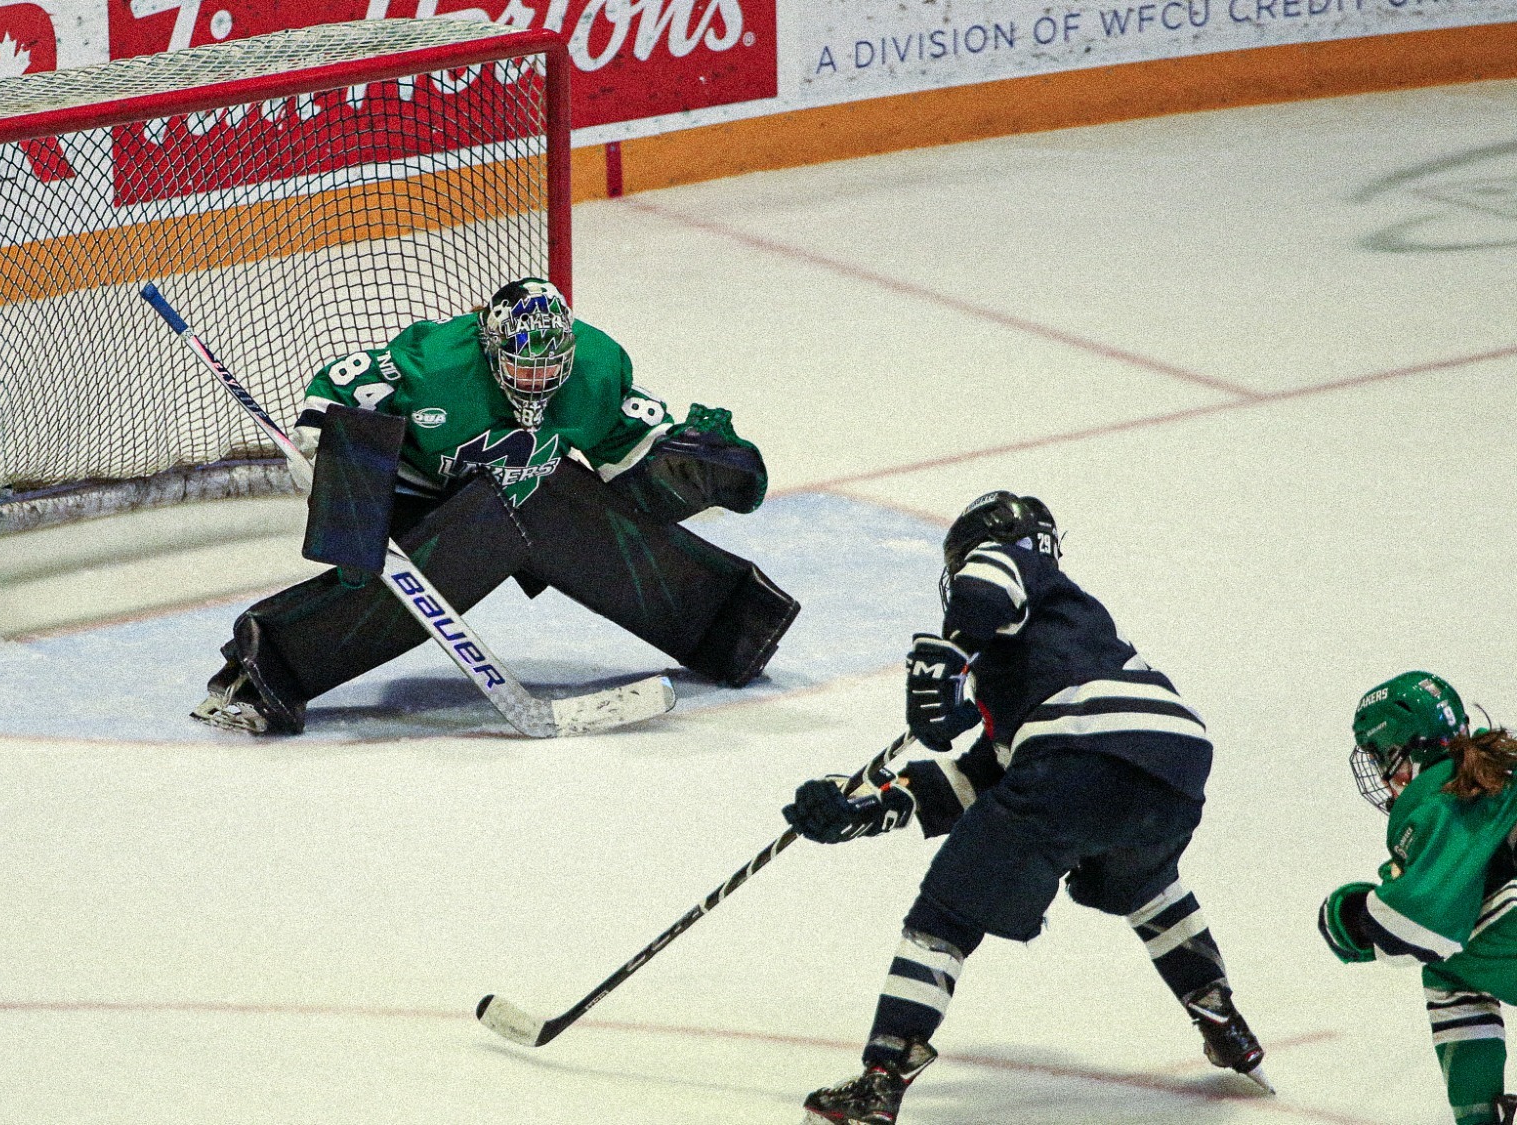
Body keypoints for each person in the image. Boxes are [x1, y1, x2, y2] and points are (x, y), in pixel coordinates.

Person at [780, 490, 1268, 1123]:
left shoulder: (1018, 576)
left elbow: (990, 579)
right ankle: (1221, 1017)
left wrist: (950, 650)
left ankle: (882, 1078)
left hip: (1078, 752)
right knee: (1146, 883)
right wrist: (869, 806)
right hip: (1174, 762)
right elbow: (980, 782)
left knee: (946, 913)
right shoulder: (1056, 652)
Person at [193, 277, 799, 734]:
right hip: (414, 496)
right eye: (521, 365)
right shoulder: (435, 365)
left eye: (550, 366)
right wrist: (320, 440)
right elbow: (340, 386)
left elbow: (629, 446)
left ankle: (731, 626)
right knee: (468, 541)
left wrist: (684, 464)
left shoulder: (595, 367)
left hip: (518, 486)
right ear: (489, 347)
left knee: (566, 510)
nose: (537, 381)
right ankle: (261, 672)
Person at [1320, 672, 1517, 1125]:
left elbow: (1418, 928)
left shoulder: (1445, 796)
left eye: (1380, 758)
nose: (1385, 778)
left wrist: (1351, 916)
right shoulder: (1495, 772)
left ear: (1402, 752)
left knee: (1446, 964)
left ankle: (1477, 1118)